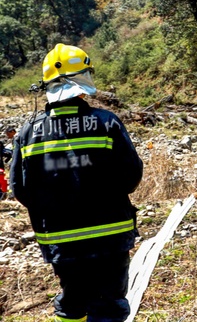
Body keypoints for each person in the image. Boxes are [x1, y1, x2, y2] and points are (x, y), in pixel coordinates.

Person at [10, 43, 144, 322]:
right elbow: (131, 177)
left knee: (72, 301)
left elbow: (21, 189)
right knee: (108, 304)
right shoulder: (107, 123)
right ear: (83, 80)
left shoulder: (28, 133)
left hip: (61, 240)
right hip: (111, 235)